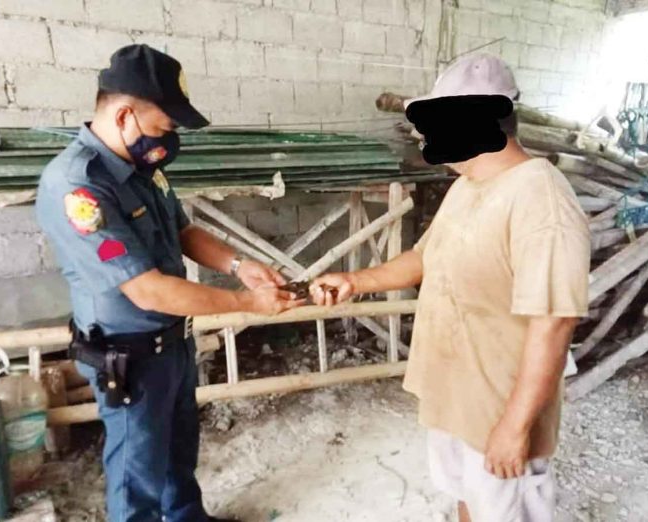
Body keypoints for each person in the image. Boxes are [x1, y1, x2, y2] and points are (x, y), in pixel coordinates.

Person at [310, 54, 590, 522]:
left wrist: (515, 427)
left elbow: (555, 323)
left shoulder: (541, 200)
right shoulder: (469, 183)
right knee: (467, 502)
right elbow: (425, 256)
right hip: (456, 396)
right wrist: (355, 281)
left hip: (498, 407)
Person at [36, 44, 302, 522]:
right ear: (123, 117)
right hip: (129, 355)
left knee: (179, 453)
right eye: (164, 127)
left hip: (172, 344)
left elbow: (183, 231)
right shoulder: (79, 186)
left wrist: (240, 264)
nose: (169, 140)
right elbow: (147, 289)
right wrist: (249, 303)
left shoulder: (144, 170)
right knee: (137, 471)